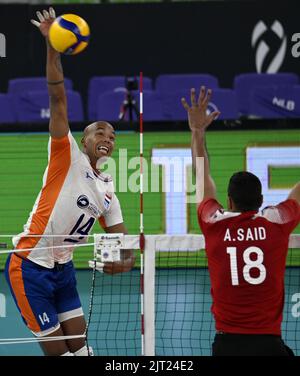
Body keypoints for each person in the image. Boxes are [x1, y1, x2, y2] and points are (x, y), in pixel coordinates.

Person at [4, 7, 135, 356]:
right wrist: (52, 46)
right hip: (29, 265)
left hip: (63, 271)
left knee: (81, 349)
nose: (108, 136)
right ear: (85, 138)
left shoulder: (108, 191)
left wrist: (122, 261)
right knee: (60, 353)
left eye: (113, 134)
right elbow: (57, 98)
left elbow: (121, 242)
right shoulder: (67, 155)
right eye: (100, 131)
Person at [181, 87, 300, 356]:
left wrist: (197, 132)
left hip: (227, 344)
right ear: (261, 200)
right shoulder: (276, 221)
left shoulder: (213, 222)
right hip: (269, 344)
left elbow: (202, 177)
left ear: (229, 202)